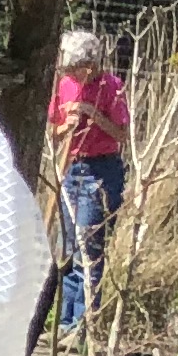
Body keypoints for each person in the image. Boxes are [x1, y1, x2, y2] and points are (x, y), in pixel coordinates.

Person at [46, 28, 130, 334]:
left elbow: (121, 135)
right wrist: (65, 126)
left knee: (88, 250)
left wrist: (93, 115)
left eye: (74, 69)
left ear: (90, 66)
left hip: (100, 172)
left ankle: (82, 325)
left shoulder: (112, 87)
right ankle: (63, 322)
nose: (70, 74)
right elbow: (52, 134)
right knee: (66, 250)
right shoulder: (63, 86)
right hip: (71, 169)